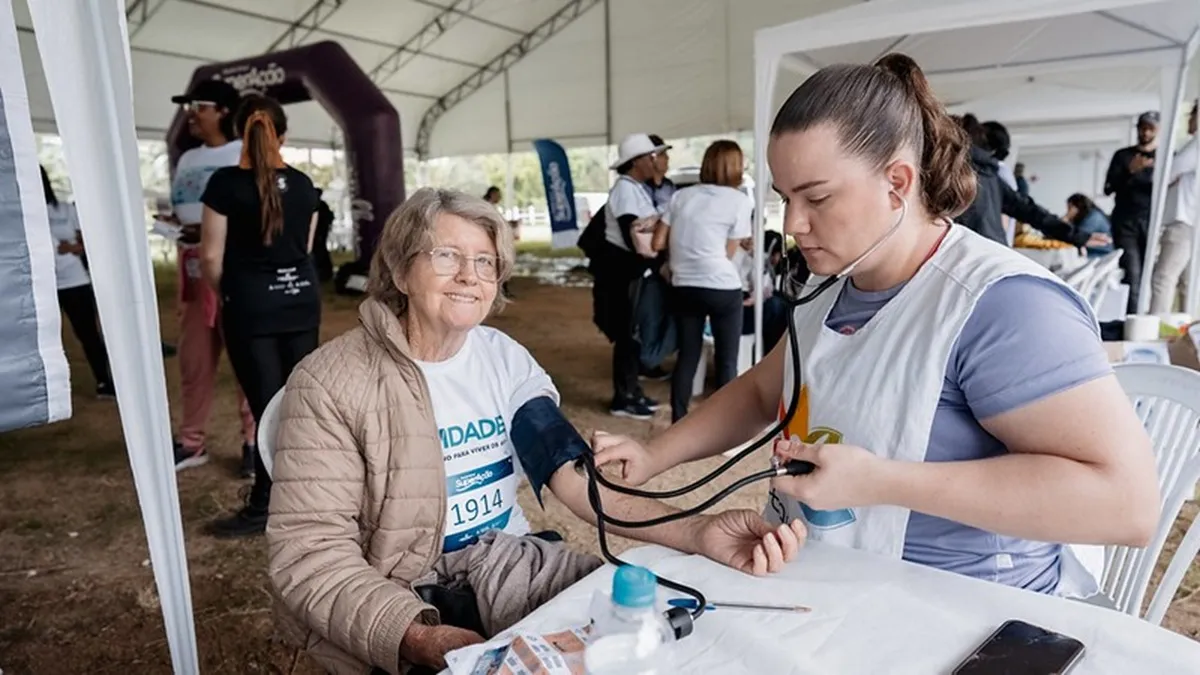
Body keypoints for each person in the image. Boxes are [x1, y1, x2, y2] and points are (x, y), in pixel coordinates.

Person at [592, 54, 1159, 598]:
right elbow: (766, 387)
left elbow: (1127, 505)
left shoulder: (1003, 307)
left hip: (969, 612)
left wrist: (881, 481)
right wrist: (654, 457)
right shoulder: (834, 283)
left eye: (816, 197)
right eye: (785, 198)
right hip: (821, 579)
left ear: (897, 183)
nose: (793, 223)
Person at [265, 188, 806, 675]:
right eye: (447, 256)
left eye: (485, 262)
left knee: (645, 634)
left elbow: (574, 478)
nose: (469, 276)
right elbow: (311, 553)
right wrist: (417, 637)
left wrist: (696, 531)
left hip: (505, 560)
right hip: (398, 582)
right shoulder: (331, 381)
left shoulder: (502, 360)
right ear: (401, 272)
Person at [199, 95, 322, 538]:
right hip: (301, 302)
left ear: (238, 135)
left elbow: (210, 256)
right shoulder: (306, 185)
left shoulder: (225, 184)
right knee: (299, 406)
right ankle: (311, 499)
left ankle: (266, 506)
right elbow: (305, 249)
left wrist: (233, 292)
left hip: (252, 307)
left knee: (267, 407)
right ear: (283, 136)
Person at [166, 78, 257, 476]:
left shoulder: (245, 156)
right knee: (194, 363)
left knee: (247, 364)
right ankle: (191, 442)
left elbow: (257, 215)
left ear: (222, 110)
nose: (190, 114)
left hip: (234, 272)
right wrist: (176, 226)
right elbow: (189, 210)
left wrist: (208, 234)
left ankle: (254, 445)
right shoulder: (187, 159)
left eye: (197, 105)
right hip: (193, 271)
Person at [651, 140, 753, 422]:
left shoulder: (681, 197)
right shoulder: (740, 200)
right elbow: (729, 253)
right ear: (736, 167)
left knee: (688, 355)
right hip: (721, 286)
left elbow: (660, 241)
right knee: (727, 360)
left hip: (684, 286)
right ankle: (724, 427)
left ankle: (679, 421)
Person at [595, 133, 669, 419]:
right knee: (628, 335)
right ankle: (623, 397)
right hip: (625, 273)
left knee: (633, 335)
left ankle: (631, 390)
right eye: (651, 157)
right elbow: (633, 234)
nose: (655, 163)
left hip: (634, 271)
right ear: (636, 161)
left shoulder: (636, 188)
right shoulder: (626, 190)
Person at [957, 115, 1101, 250]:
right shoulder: (990, 176)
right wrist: (1075, 236)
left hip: (967, 253)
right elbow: (1029, 210)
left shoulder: (958, 169)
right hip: (994, 251)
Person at [42, 166, 113, 398]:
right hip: (42, 283)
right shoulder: (22, 215)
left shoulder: (64, 210)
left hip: (74, 282)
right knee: (44, 338)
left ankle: (105, 380)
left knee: (88, 333)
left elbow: (86, 240)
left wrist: (72, 247)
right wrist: (62, 246)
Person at [1105, 111, 1160, 313]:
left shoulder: (1166, 157)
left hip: (1153, 222)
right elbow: (1108, 188)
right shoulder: (1123, 156)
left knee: (1156, 276)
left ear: (1158, 130)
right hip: (1125, 222)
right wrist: (1130, 171)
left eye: (1150, 128)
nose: (1145, 132)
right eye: (1142, 127)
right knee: (1133, 275)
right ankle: (1132, 321)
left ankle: (1151, 318)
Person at [1149, 101, 1198, 314]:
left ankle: (1154, 331)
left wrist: (1169, 176)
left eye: (1192, 114)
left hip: (1183, 220)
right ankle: (1188, 334)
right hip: (1193, 222)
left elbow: (1165, 173)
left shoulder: (1196, 144)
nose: (1189, 119)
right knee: (1188, 283)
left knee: (1163, 278)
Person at [1064, 194, 1115, 259]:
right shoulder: (1085, 216)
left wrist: (1067, 217)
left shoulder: (1094, 217)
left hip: (1101, 254)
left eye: (1070, 208)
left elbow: (1076, 236)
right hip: (1092, 252)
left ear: (1078, 206)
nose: (1068, 211)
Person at [646, 134, 677, 209]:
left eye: (665, 153)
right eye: (661, 154)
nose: (667, 157)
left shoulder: (669, 186)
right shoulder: (641, 189)